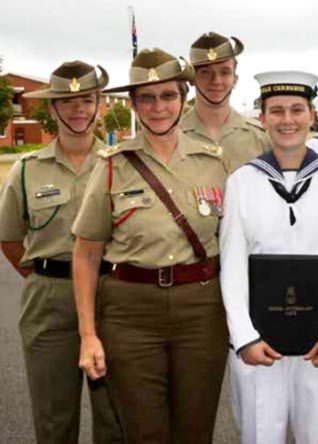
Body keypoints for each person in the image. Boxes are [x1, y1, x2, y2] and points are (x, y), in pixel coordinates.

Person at [71, 48, 229, 444]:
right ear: (133, 104)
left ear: (184, 98)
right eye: (147, 97)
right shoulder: (111, 164)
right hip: (129, 314)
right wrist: (88, 335)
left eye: (168, 95)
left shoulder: (215, 163)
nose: (158, 107)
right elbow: (87, 254)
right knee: (144, 431)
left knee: (195, 429)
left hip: (201, 309)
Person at [220, 70, 318, 444]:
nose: (287, 120)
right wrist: (244, 337)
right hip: (259, 343)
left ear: (312, 116)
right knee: (260, 435)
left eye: (297, 109)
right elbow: (231, 266)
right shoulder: (242, 181)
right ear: (261, 117)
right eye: (276, 111)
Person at [0, 61, 122, 444]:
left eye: (86, 99)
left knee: (116, 418)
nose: (78, 109)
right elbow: (9, 238)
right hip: (50, 300)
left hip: (112, 295)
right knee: (54, 419)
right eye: (66, 102)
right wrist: (48, 277)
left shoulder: (122, 163)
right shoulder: (25, 169)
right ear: (52, 109)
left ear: (100, 103)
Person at [181, 31, 270, 171]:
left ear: (235, 80)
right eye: (205, 72)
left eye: (224, 72)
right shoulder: (174, 137)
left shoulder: (262, 139)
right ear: (192, 79)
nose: (216, 81)